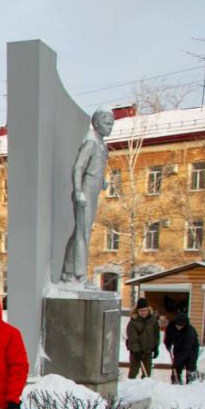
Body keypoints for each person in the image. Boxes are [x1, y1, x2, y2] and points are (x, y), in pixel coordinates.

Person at [61, 108, 114, 284]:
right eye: (107, 123)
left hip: (93, 189)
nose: (110, 127)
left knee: (80, 231)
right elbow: (78, 167)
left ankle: (68, 271)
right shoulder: (91, 142)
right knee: (83, 233)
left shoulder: (101, 144)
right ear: (96, 123)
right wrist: (78, 191)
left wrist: (102, 181)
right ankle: (79, 274)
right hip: (85, 190)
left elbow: (95, 167)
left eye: (112, 124)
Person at [125, 297, 159, 379]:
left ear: (148, 310)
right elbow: (133, 338)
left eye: (145, 310)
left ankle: (145, 386)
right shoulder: (133, 323)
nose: (143, 312)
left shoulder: (153, 321)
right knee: (133, 372)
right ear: (137, 311)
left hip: (148, 350)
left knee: (147, 373)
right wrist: (136, 351)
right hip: (136, 352)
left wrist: (155, 346)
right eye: (141, 311)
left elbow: (156, 335)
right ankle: (131, 385)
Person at [164, 313, 199, 385]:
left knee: (190, 365)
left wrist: (176, 362)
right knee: (177, 367)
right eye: (177, 325)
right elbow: (168, 337)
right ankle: (175, 381)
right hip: (178, 347)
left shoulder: (189, 332)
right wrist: (168, 344)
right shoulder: (171, 327)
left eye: (181, 325)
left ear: (184, 325)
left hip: (191, 350)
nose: (178, 327)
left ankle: (191, 383)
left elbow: (186, 350)